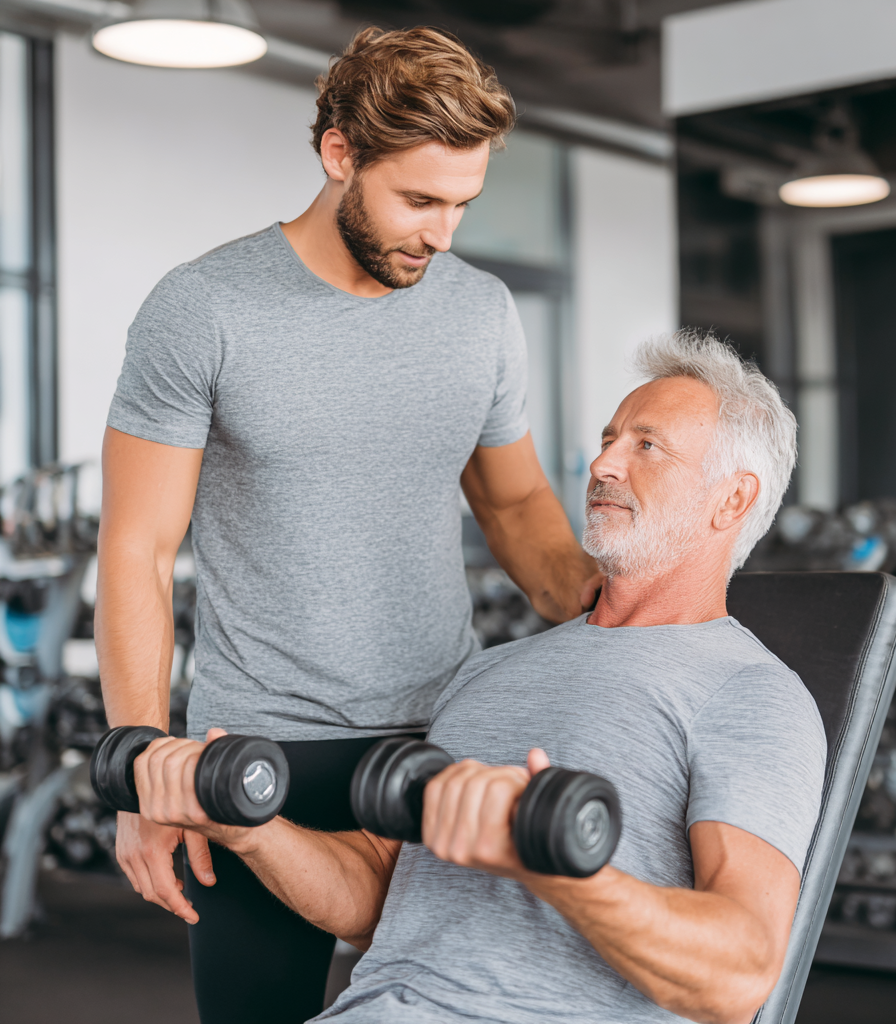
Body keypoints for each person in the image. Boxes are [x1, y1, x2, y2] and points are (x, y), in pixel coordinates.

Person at [94, 26, 598, 1024]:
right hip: (255, 748)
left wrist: (619, 605)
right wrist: (142, 772)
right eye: (418, 201)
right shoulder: (204, 308)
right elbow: (137, 551)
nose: (442, 234)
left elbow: (515, 506)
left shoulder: (481, 313)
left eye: (461, 204)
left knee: (462, 1008)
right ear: (339, 155)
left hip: (439, 739)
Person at [133, 332, 827, 1024]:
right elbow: (378, 897)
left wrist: (555, 870)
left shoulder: (751, 692)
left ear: (732, 500)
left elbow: (738, 978)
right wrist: (245, 826)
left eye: (647, 446)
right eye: (609, 439)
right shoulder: (491, 671)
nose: (602, 464)